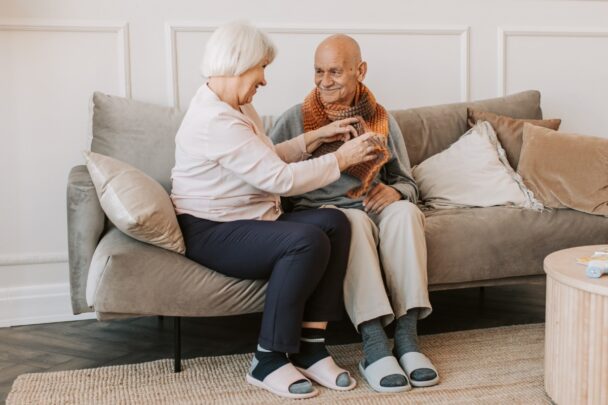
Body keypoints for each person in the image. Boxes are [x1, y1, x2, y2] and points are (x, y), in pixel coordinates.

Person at [170, 22, 382, 400]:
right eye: (261, 68)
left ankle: (310, 347)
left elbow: (264, 159)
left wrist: (314, 138)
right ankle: (268, 358)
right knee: (304, 240)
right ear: (240, 63)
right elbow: (279, 180)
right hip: (211, 229)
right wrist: (341, 158)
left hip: (249, 219)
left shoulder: (237, 107)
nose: (265, 80)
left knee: (336, 221)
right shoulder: (213, 120)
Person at [270, 34, 439, 393]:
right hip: (327, 216)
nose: (324, 80)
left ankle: (408, 339)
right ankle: (375, 345)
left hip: (375, 208)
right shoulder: (294, 121)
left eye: (335, 71)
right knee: (353, 221)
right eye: (318, 71)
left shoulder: (380, 119)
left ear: (359, 71)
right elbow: (272, 181)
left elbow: (408, 183)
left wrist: (394, 191)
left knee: (406, 214)